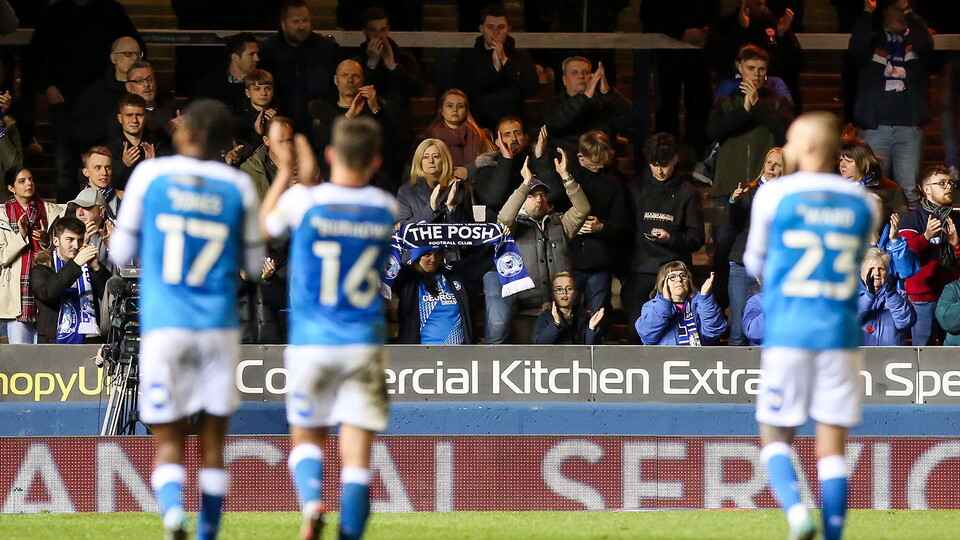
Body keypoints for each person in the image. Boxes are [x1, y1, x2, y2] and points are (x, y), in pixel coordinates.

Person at [109, 99, 265, 540]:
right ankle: (208, 533)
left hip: (165, 326)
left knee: (168, 436)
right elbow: (253, 265)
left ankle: (174, 516)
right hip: (216, 326)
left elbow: (120, 254)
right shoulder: (238, 186)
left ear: (185, 133)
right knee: (213, 440)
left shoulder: (150, 176)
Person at [744, 112, 879, 540]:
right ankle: (834, 535)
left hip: (788, 330)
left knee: (775, 433)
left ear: (806, 147)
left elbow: (754, 262)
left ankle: (797, 513)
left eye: (789, 139)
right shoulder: (863, 202)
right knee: (832, 444)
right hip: (839, 333)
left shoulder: (774, 196)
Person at [260, 116, 396, 540]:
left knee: (306, 438)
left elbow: (263, 227)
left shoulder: (305, 201)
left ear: (331, 155)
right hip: (363, 344)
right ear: (375, 162)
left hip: (311, 344)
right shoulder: (384, 207)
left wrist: (285, 171)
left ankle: (313, 499)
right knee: (356, 461)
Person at [706, 44, 794, 313]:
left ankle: (756, 313)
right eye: (751, 68)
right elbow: (712, 130)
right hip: (725, 190)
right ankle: (717, 315)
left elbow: (786, 132)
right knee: (721, 251)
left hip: (764, 191)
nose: (756, 74)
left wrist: (756, 107)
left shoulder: (776, 101)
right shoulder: (725, 99)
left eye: (762, 69)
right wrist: (743, 110)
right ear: (739, 67)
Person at [488, 153, 590, 344]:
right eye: (532, 195)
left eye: (542, 195)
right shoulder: (515, 225)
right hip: (523, 306)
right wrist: (525, 183)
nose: (539, 199)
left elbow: (582, 209)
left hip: (556, 307)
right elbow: (504, 219)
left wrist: (566, 176)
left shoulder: (559, 223)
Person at [622, 133, 705, 342]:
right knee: (635, 330)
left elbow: (697, 238)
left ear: (676, 159)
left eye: (665, 164)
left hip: (675, 271)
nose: (659, 170)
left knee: (677, 332)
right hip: (642, 270)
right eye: (654, 164)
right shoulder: (635, 188)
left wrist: (670, 237)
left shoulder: (687, 192)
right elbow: (624, 230)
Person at [849, 0, 933, 205]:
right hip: (875, 128)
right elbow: (857, 48)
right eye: (898, 9)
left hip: (909, 129)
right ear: (885, 11)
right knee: (870, 188)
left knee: (909, 193)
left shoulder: (916, 39)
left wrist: (912, 15)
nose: (902, 14)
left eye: (906, 10)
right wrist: (867, 12)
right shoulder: (873, 41)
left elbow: (927, 44)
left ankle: (909, 235)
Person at [640, 0, 720, 156]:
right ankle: (664, 154)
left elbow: (713, 10)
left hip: (699, 53)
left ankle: (701, 156)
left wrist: (707, 31)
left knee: (700, 102)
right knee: (667, 104)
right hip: (667, 52)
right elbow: (649, 15)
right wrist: (680, 32)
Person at [897, 166, 960, 346]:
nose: (948, 187)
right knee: (924, 352)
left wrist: (956, 245)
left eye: (950, 183)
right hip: (924, 298)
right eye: (942, 183)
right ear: (926, 189)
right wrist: (925, 238)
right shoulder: (912, 219)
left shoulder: (956, 219)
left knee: (953, 352)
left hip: (953, 299)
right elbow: (905, 257)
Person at [727, 147, 783, 346]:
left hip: (773, 268)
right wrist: (734, 201)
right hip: (743, 265)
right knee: (738, 331)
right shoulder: (749, 191)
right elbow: (734, 224)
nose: (772, 167)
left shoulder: (790, 197)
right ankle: (733, 375)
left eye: (778, 164)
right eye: (769, 162)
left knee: (768, 328)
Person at [0, 167, 63, 343]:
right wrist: (21, 236)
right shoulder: (3, 215)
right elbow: (2, 257)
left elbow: (62, 250)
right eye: (22, 181)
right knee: (20, 353)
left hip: (45, 287)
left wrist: (46, 240)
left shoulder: (50, 211)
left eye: (31, 179)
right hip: (18, 296)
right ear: (11, 188)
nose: (29, 183)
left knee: (44, 354)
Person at [259, 0, 341, 133]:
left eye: (305, 20)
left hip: (320, 128)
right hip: (281, 128)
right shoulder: (268, 51)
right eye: (296, 22)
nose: (302, 26)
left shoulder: (327, 49)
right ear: (283, 24)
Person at [453, 5, 540, 130]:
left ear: (508, 29)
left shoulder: (520, 57)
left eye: (501, 27)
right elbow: (463, 89)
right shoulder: (467, 58)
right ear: (481, 29)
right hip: (477, 126)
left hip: (512, 126)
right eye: (490, 27)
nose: (496, 32)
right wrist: (492, 70)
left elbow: (532, 88)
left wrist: (505, 61)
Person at [31, 216, 111, 344]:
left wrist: (96, 267)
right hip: (54, 341)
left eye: (79, 240)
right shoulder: (42, 269)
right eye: (70, 239)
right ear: (56, 241)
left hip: (90, 339)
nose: (76, 245)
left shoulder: (88, 268)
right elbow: (47, 293)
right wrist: (76, 264)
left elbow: (111, 297)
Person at [541, 56, 634, 155]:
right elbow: (555, 123)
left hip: (600, 162)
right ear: (565, 79)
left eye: (585, 72)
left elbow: (629, 122)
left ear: (592, 77)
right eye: (574, 73)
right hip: (566, 163)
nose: (581, 76)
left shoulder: (604, 102)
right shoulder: (552, 105)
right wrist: (584, 97)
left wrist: (608, 92)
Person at [391, 246, 483, 344]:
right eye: (427, 254)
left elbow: (486, 260)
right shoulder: (406, 279)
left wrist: (499, 238)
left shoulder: (454, 275)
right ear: (416, 255)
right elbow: (382, 262)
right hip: (421, 355)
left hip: (458, 354)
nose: (433, 259)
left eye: (437, 254)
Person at [72, 36, 142, 149]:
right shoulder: (94, 93)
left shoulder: (147, 89)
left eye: (138, 54)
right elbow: (82, 130)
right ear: (114, 58)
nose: (135, 58)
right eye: (128, 54)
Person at [636, 262, 725, 345]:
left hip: (697, 358)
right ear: (663, 283)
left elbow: (714, 332)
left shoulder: (699, 304)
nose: (679, 279)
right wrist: (664, 302)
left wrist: (705, 297)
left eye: (683, 275)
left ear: (689, 282)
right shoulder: (652, 306)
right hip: (666, 359)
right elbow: (647, 336)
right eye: (672, 277)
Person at [396, 138, 473, 225]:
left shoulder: (460, 189)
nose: (431, 161)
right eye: (425, 157)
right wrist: (431, 209)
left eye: (435, 156)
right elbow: (402, 229)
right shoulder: (406, 191)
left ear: (444, 160)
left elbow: (470, 230)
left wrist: (452, 208)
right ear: (419, 161)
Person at [106, 93, 169, 191]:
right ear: (120, 118)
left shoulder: (158, 144)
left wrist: (152, 166)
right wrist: (123, 165)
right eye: (129, 115)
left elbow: (168, 182)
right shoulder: (109, 149)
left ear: (146, 117)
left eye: (139, 115)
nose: (134, 120)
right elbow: (104, 184)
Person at [423, 89, 495, 174]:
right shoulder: (429, 138)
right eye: (450, 105)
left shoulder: (481, 136)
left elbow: (491, 169)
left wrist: (469, 172)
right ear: (441, 110)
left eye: (460, 106)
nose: (455, 110)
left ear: (466, 111)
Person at [838, 138, 908, 221]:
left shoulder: (891, 189)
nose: (842, 165)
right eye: (841, 160)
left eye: (848, 161)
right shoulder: (832, 187)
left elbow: (903, 223)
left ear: (863, 162)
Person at [858, 247, 916, 345]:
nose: (876, 273)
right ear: (862, 273)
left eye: (881, 269)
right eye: (871, 269)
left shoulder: (900, 295)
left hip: (893, 356)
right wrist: (869, 296)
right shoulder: (853, 297)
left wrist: (892, 295)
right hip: (863, 356)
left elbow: (905, 323)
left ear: (887, 272)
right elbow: (851, 320)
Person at [192, 32, 260, 114]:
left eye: (257, 54)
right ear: (235, 58)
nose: (257, 59)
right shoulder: (210, 84)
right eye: (251, 54)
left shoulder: (261, 83)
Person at [533, 271, 603, 344]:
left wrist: (591, 329)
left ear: (575, 293)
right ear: (552, 294)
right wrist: (556, 323)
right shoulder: (545, 317)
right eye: (559, 289)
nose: (564, 292)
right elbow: (539, 342)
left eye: (569, 289)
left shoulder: (584, 316)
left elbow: (592, 349)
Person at [241, 115, 293, 200]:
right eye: (279, 141)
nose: (285, 146)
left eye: (289, 140)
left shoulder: (303, 165)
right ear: (266, 141)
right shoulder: (250, 169)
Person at [81, 146, 121, 219]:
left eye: (108, 167)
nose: (104, 173)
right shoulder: (77, 201)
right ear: (86, 172)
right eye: (98, 168)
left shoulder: (124, 198)